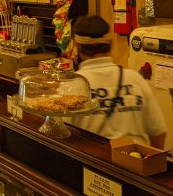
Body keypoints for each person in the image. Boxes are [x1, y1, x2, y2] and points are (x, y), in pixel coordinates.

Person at [67, 15, 166, 148]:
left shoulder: (71, 86)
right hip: (135, 162)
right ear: (110, 44)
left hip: (91, 165)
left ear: (77, 46)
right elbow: (158, 131)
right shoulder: (135, 79)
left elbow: (62, 136)